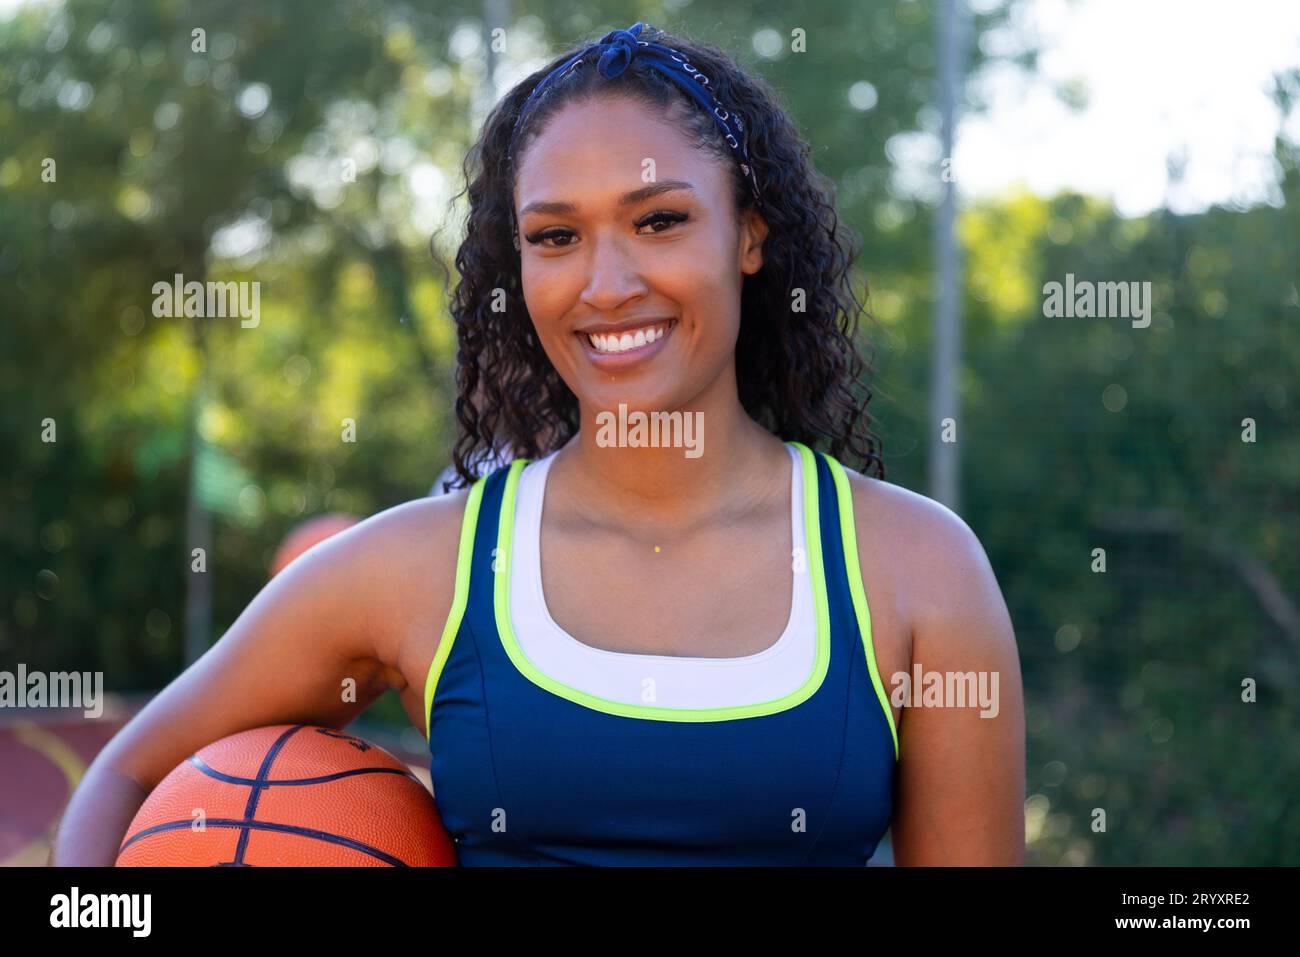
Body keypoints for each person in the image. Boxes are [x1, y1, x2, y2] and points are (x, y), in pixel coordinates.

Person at [52, 21, 1023, 866]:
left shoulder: (915, 570)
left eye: (658, 221)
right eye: (555, 237)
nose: (605, 284)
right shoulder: (421, 569)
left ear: (749, 234)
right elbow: (132, 773)